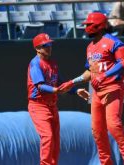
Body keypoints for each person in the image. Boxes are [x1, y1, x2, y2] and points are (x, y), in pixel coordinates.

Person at [59, 12, 124, 165]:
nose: (86, 27)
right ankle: (105, 162)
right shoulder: (90, 47)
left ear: (98, 25)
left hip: (113, 88)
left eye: (88, 25)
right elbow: (89, 72)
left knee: (113, 124)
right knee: (97, 130)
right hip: (97, 93)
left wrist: (105, 75)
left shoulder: (114, 42)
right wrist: (72, 82)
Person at [27, 33, 90, 165]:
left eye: (50, 45)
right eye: (45, 45)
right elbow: (40, 86)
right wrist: (56, 90)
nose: (49, 47)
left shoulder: (53, 63)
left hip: (52, 105)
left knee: (55, 141)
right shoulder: (35, 64)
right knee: (48, 137)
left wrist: (75, 90)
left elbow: (60, 83)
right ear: (37, 48)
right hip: (39, 106)